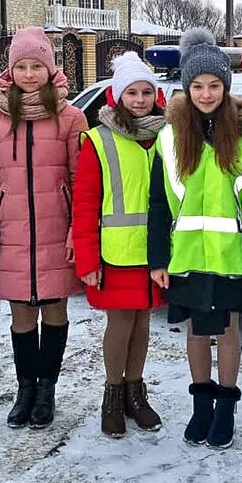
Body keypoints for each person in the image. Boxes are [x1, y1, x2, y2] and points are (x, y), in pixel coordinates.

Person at [147, 28, 242, 449]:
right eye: (197, 85)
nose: (205, 93)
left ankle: (225, 409)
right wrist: (157, 260)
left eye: (214, 85)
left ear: (226, 87)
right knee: (198, 331)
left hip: (231, 255)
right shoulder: (168, 138)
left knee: (228, 329)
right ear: (186, 87)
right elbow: (159, 204)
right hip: (185, 256)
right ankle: (201, 407)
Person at [0, 27, 87, 431]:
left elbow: (83, 183)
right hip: (12, 234)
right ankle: (25, 388)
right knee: (21, 315)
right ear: (9, 70)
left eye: (35, 66)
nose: (28, 74)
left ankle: (47, 390)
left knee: (55, 310)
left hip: (58, 232)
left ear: (49, 68)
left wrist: (79, 232)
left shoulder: (72, 117)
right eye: (20, 66)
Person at [72, 52, 167, 437]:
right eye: (132, 92)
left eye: (146, 92)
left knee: (143, 322)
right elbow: (84, 204)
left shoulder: (165, 136)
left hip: (156, 252)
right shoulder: (99, 140)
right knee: (121, 323)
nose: (140, 99)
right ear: (116, 97)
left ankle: (135, 393)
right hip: (116, 253)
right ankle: (113, 393)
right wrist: (87, 258)